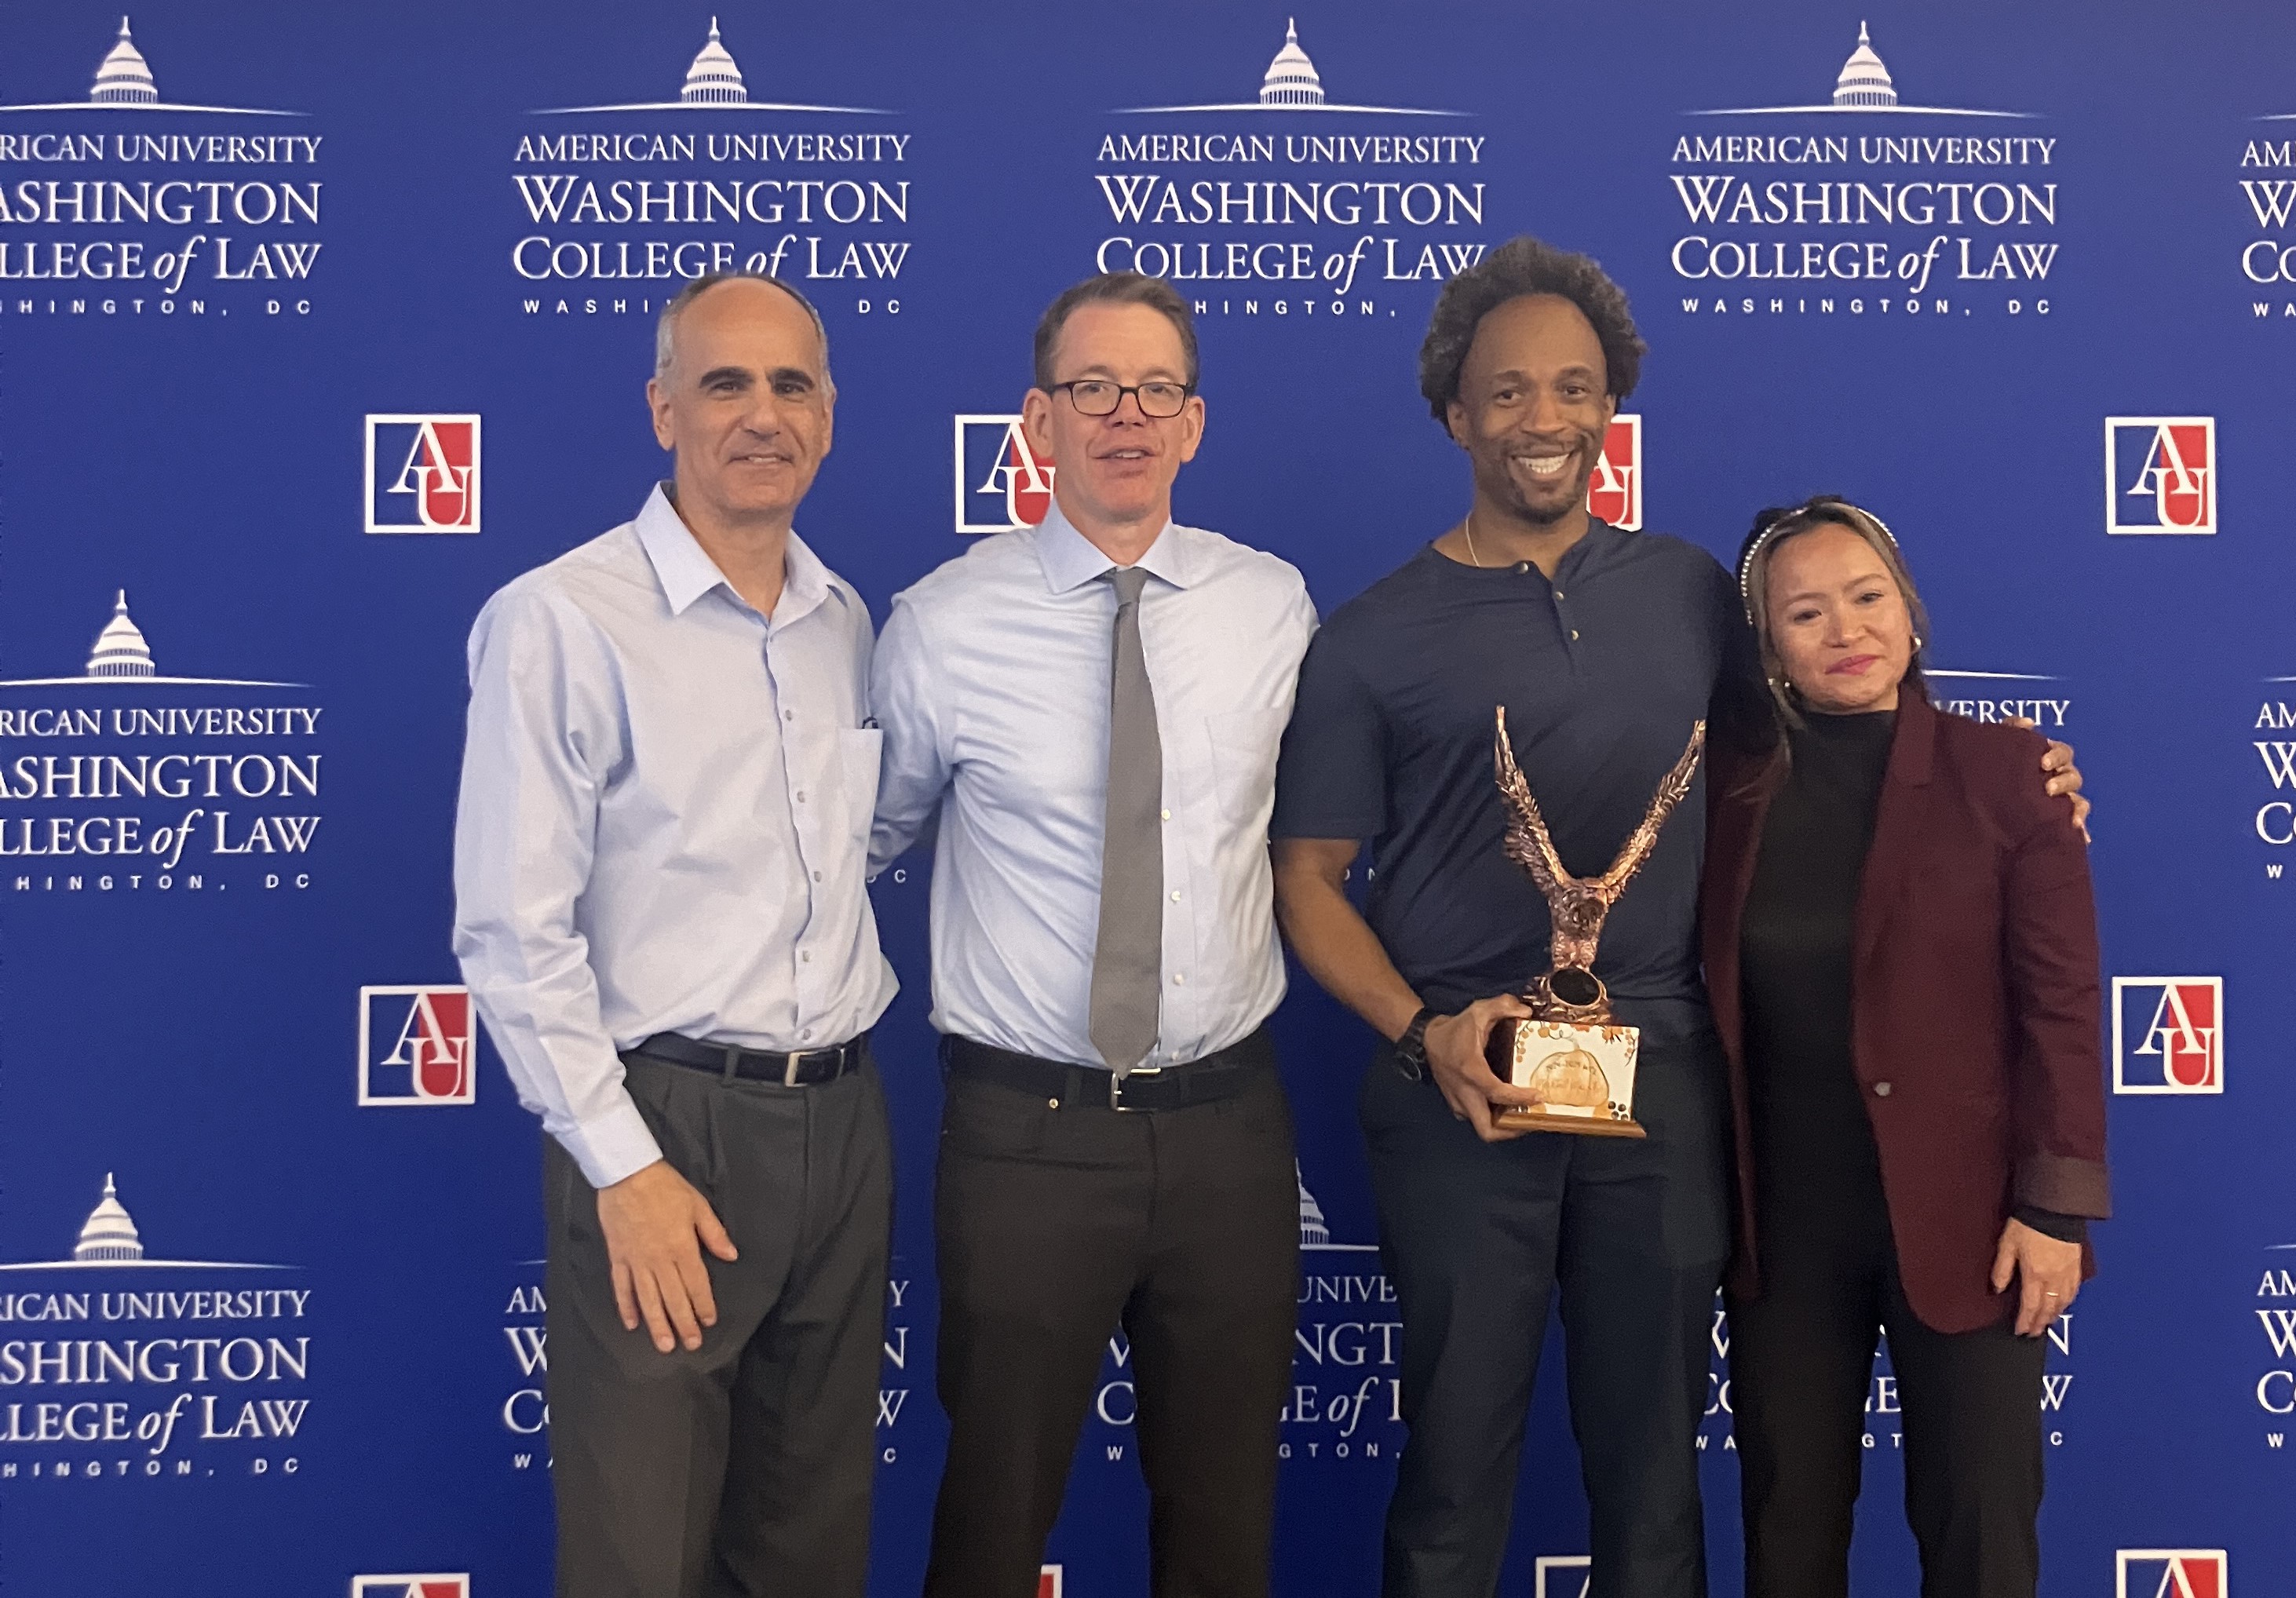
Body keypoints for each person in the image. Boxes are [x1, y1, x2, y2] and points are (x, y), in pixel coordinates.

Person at [1268, 236, 2086, 1598]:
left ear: (1612, 408)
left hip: (1670, 1088)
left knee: (1658, 1480)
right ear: (1454, 411)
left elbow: (1839, 749)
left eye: (1577, 388)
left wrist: (2025, 781)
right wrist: (1425, 1033)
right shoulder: (1367, 638)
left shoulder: (1697, 594)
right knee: (1453, 1473)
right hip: (1461, 1087)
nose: (1548, 419)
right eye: (1512, 391)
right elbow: (1306, 880)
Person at [869, 271, 1317, 1598]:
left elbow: (1322, 841)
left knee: (1225, 1518)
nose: (1125, 414)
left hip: (1230, 1131)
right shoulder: (939, 628)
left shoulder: (1271, 609)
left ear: (1192, 425)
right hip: (1026, 1140)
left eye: (1156, 391)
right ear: (1037, 421)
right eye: (1092, 389)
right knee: (996, 1517)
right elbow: (855, 847)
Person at [454, 271, 893, 1598]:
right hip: (665, 1135)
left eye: (791, 384)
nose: (762, 414)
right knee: (643, 1555)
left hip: (842, 1125)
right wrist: (622, 1167)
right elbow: (510, 929)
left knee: (808, 1549)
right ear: (662, 411)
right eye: (724, 383)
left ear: (829, 413)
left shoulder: (845, 621)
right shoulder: (562, 622)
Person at [1703, 498, 2108, 1598]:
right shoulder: (1721, 797)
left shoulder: (2013, 777)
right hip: (1784, 1237)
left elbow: (2064, 1007)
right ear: (1768, 649)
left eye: (1868, 597)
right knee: (1788, 1540)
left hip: (1975, 1227)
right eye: (1807, 613)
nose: (1847, 631)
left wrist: (2055, 1207)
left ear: (1912, 612)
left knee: (1980, 1538)